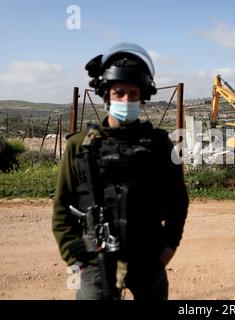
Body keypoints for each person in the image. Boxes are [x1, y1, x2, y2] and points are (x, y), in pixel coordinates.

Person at [52, 43, 189, 300]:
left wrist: (170, 245)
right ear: (106, 95)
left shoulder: (159, 144)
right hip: (95, 262)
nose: (126, 100)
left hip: (148, 259)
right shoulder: (79, 145)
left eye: (133, 94)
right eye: (119, 93)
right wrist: (76, 258)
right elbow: (62, 208)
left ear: (143, 96)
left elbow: (177, 199)